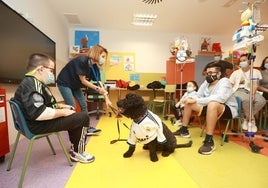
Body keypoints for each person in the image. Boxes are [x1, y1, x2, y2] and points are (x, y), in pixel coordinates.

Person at [13, 53, 94, 163]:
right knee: (83, 117)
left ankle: (75, 146)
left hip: (34, 123)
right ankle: (78, 152)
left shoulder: (34, 83)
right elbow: (39, 114)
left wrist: (61, 106)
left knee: (72, 112)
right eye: (51, 70)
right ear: (41, 69)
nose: (52, 74)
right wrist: (62, 113)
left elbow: (46, 104)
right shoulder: (32, 85)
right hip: (36, 125)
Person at [173, 62, 238, 155]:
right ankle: (184, 130)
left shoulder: (225, 82)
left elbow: (220, 98)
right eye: (207, 73)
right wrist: (191, 99)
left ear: (219, 74)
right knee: (189, 101)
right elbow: (198, 95)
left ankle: (209, 141)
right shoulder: (207, 82)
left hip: (227, 108)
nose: (208, 75)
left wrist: (197, 101)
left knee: (212, 103)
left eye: (211, 73)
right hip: (210, 106)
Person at [57, 45, 112, 136]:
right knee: (72, 106)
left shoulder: (94, 66)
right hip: (65, 83)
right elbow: (83, 80)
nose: (103, 59)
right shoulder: (82, 61)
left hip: (75, 85)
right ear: (96, 54)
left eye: (104, 57)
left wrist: (106, 98)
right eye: (103, 56)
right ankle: (74, 130)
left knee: (83, 104)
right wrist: (98, 89)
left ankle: (86, 127)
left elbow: (99, 83)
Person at [229, 53, 266, 132]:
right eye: (241, 61)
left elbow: (256, 85)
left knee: (261, 101)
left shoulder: (255, 71)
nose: (242, 62)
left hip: (252, 90)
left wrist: (252, 94)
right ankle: (252, 120)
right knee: (247, 100)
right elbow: (230, 84)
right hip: (239, 90)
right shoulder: (235, 73)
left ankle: (246, 118)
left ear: (249, 61)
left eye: (244, 60)